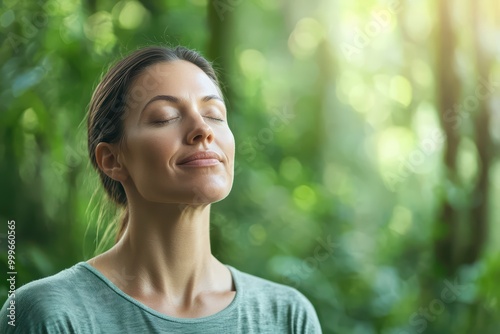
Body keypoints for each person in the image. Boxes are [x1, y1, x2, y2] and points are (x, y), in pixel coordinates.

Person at [0, 45, 322, 333]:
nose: (202, 130)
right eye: (165, 117)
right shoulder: (50, 315)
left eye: (214, 114)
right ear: (112, 159)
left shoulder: (288, 317)